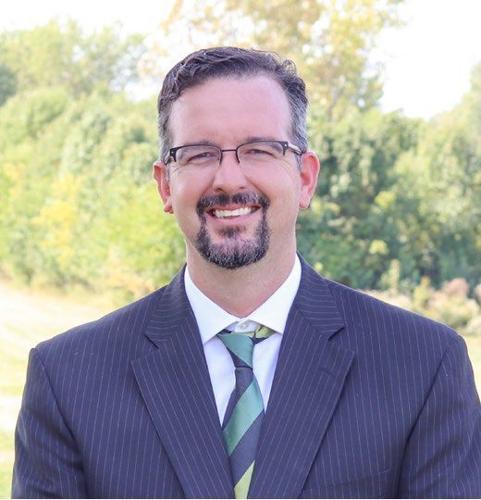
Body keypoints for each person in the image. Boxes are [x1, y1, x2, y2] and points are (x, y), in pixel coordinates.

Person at [12, 47, 481, 499]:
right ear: (165, 185)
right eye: (199, 153)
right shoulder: (68, 379)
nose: (229, 179)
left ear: (305, 178)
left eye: (259, 150)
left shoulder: (423, 366)